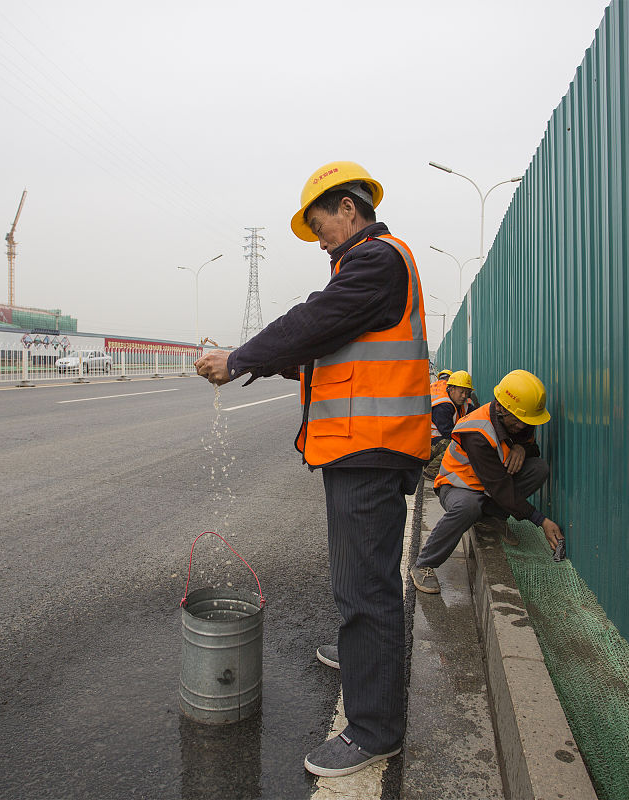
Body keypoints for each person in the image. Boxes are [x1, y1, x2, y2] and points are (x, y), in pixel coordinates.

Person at [194, 161, 430, 778]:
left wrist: (239, 355)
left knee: (366, 589)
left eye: (319, 221)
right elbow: (320, 353)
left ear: (348, 208)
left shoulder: (376, 261)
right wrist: (257, 365)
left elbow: (310, 323)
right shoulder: (369, 270)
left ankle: (374, 731)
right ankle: (361, 657)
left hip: (370, 451)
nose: (317, 235)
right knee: (364, 581)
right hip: (364, 448)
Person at [411, 369, 565, 594]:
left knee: (538, 468)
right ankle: (424, 563)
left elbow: (532, 450)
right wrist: (541, 520)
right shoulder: (477, 431)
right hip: (457, 486)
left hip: (488, 487)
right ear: (502, 408)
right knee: (469, 506)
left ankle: (490, 517)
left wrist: (522, 448)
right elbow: (498, 485)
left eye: (526, 422)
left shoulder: (519, 421)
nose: (523, 427)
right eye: (519, 421)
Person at [423, 370, 477, 481]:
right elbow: (448, 432)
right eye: (461, 392)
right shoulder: (443, 406)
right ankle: (431, 471)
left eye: (467, 393)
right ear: (451, 389)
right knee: (454, 445)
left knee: (458, 443)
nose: (464, 396)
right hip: (426, 444)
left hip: (434, 442)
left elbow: (477, 413)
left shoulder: (461, 403)